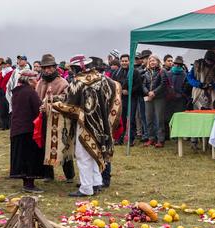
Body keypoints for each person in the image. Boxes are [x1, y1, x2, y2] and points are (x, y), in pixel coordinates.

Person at [42, 55, 121, 197]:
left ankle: (86, 188)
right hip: (101, 123)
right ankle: (96, 183)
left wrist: (53, 104)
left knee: (83, 156)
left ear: (77, 68)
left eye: (72, 68)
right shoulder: (102, 78)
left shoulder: (77, 82)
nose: (71, 71)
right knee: (95, 151)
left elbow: (70, 106)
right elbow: (116, 88)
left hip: (86, 124)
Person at [35, 54, 74, 184]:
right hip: (44, 118)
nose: (47, 70)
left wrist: (51, 103)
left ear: (55, 67)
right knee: (45, 146)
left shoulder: (63, 82)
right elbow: (37, 99)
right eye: (45, 68)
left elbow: (67, 99)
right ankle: (48, 174)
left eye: (50, 67)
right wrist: (40, 107)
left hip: (60, 119)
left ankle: (69, 175)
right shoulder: (40, 83)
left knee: (63, 145)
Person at [10, 69, 45, 193]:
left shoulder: (17, 92)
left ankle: (26, 182)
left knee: (22, 157)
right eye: (35, 79)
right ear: (30, 80)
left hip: (17, 128)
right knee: (29, 158)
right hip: (28, 128)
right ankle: (29, 184)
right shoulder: (30, 92)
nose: (37, 81)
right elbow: (38, 109)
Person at [111, 54, 143, 146]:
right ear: (120, 62)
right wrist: (119, 91)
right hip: (120, 99)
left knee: (131, 118)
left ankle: (131, 139)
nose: (124, 63)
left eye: (126, 61)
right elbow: (113, 84)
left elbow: (138, 85)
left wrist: (129, 91)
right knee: (121, 119)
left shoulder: (135, 72)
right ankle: (119, 138)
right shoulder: (116, 72)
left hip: (131, 98)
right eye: (122, 61)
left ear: (129, 61)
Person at [142, 55, 165, 148]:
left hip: (159, 97)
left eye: (154, 60)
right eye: (150, 61)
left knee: (159, 119)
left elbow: (164, 84)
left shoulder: (162, 71)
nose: (152, 62)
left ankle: (160, 140)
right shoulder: (146, 72)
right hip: (148, 98)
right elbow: (143, 85)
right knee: (149, 118)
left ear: (158, 61)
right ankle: (151, 138)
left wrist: (154, 92)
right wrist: (148, 92)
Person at [164, 56, 187, 139]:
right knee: (169, 117)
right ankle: (171, 134)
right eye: (176, 64)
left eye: (179, 64)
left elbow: (186, 87)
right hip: (169, 98)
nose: (177, 66)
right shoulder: (168, 73)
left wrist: (182, 94)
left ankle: (178, 134)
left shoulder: (184, 74)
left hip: (180, 99)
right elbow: (165, 85)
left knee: (179, 117)